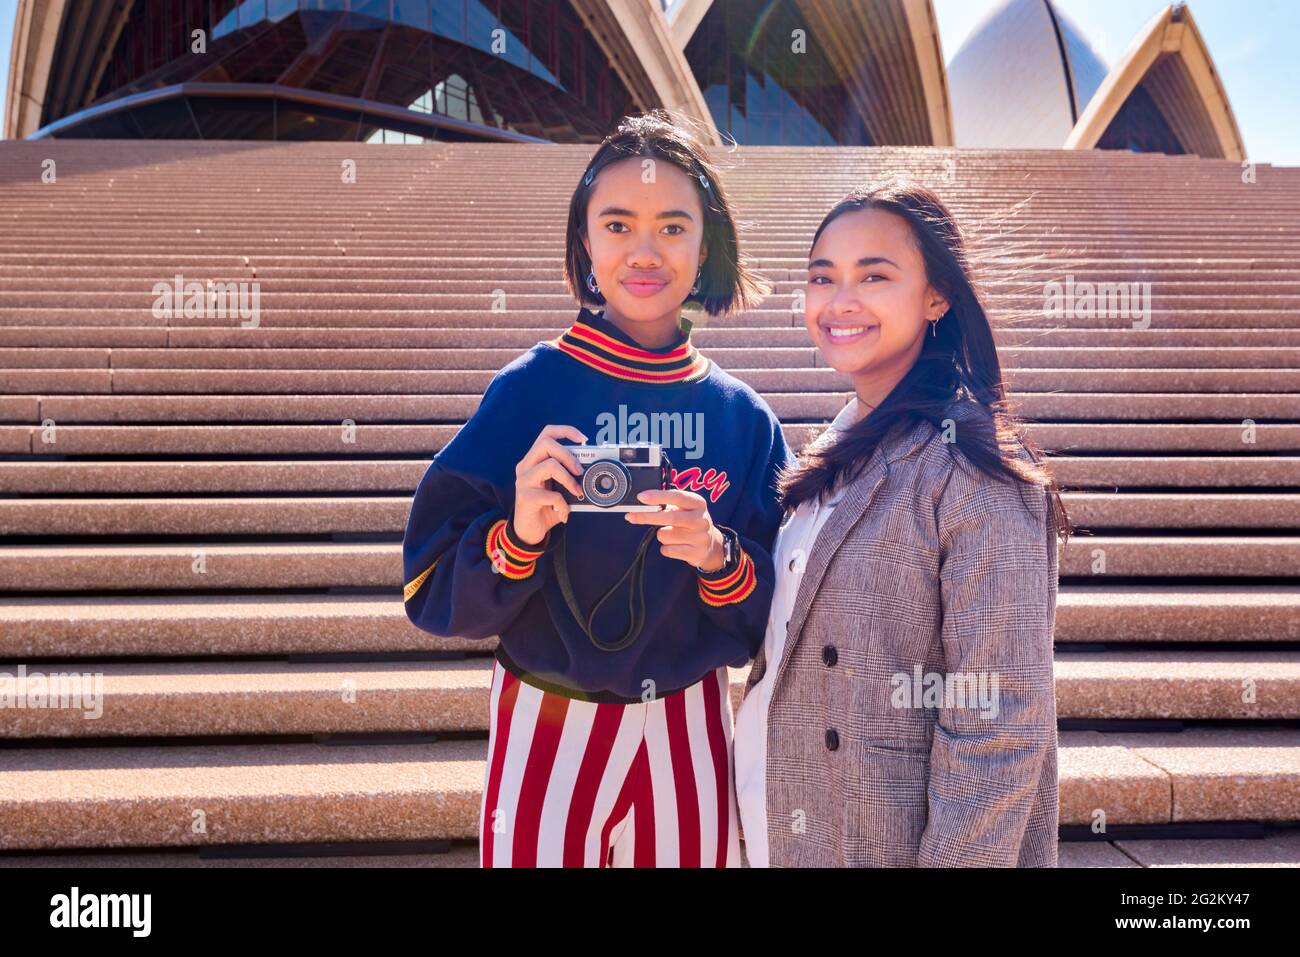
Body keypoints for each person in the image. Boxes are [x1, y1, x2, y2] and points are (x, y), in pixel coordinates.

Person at [402, 111, 791, 867]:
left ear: (706, 244)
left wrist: (719, 557)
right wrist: (515, 535)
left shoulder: (743, 417)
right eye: (617, 223)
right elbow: (429, 584)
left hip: (689, 725)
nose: (644, 251)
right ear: (584, 240)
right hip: (547, 720)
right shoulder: (529, 389)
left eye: (673, 227)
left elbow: (781, 617)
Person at [733, 179, 1071, 867]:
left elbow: (998, 723)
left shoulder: (973, 466)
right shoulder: (832, 450)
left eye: (873, 275)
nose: (840, 300)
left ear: (936, 296)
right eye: (822, 277)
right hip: (784, 828)